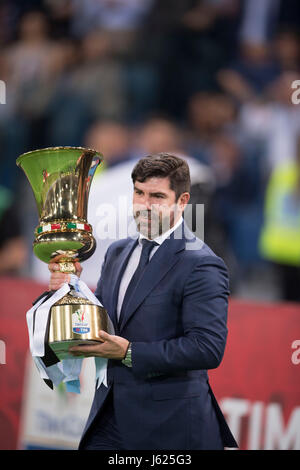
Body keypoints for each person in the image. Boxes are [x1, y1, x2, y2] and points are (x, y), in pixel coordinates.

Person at [48, 153, 237, 450]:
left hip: (168, 428)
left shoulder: (202, 263)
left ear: (183, 201)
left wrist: (130, 353)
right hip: (107, 416)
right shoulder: (117, 252)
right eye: (139, 193)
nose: (145, 205)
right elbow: (101, 321)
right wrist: (69, 290)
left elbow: (207, 348)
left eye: (157, 196)